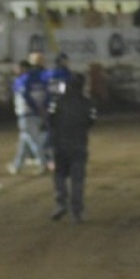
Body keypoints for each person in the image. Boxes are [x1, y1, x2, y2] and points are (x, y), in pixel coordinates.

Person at [47, 74, 96, 224]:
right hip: (79, 144)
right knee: (77, 179)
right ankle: (77, 212)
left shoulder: (57, 101)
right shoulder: (88, 103)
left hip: (60, 144)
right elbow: (91, 121)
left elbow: (50, 120)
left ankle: (61, 203)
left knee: (60, 175)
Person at [7, 54, 49, 175]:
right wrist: (42, 109)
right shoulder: (41, 78)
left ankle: (43, 163)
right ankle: (17, 166)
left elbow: (24, 95)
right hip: (36, 114)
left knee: (32, 141)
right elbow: (47, 94)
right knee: (24, 142)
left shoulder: (23, 80)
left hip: (26, 114)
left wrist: (36, 108)